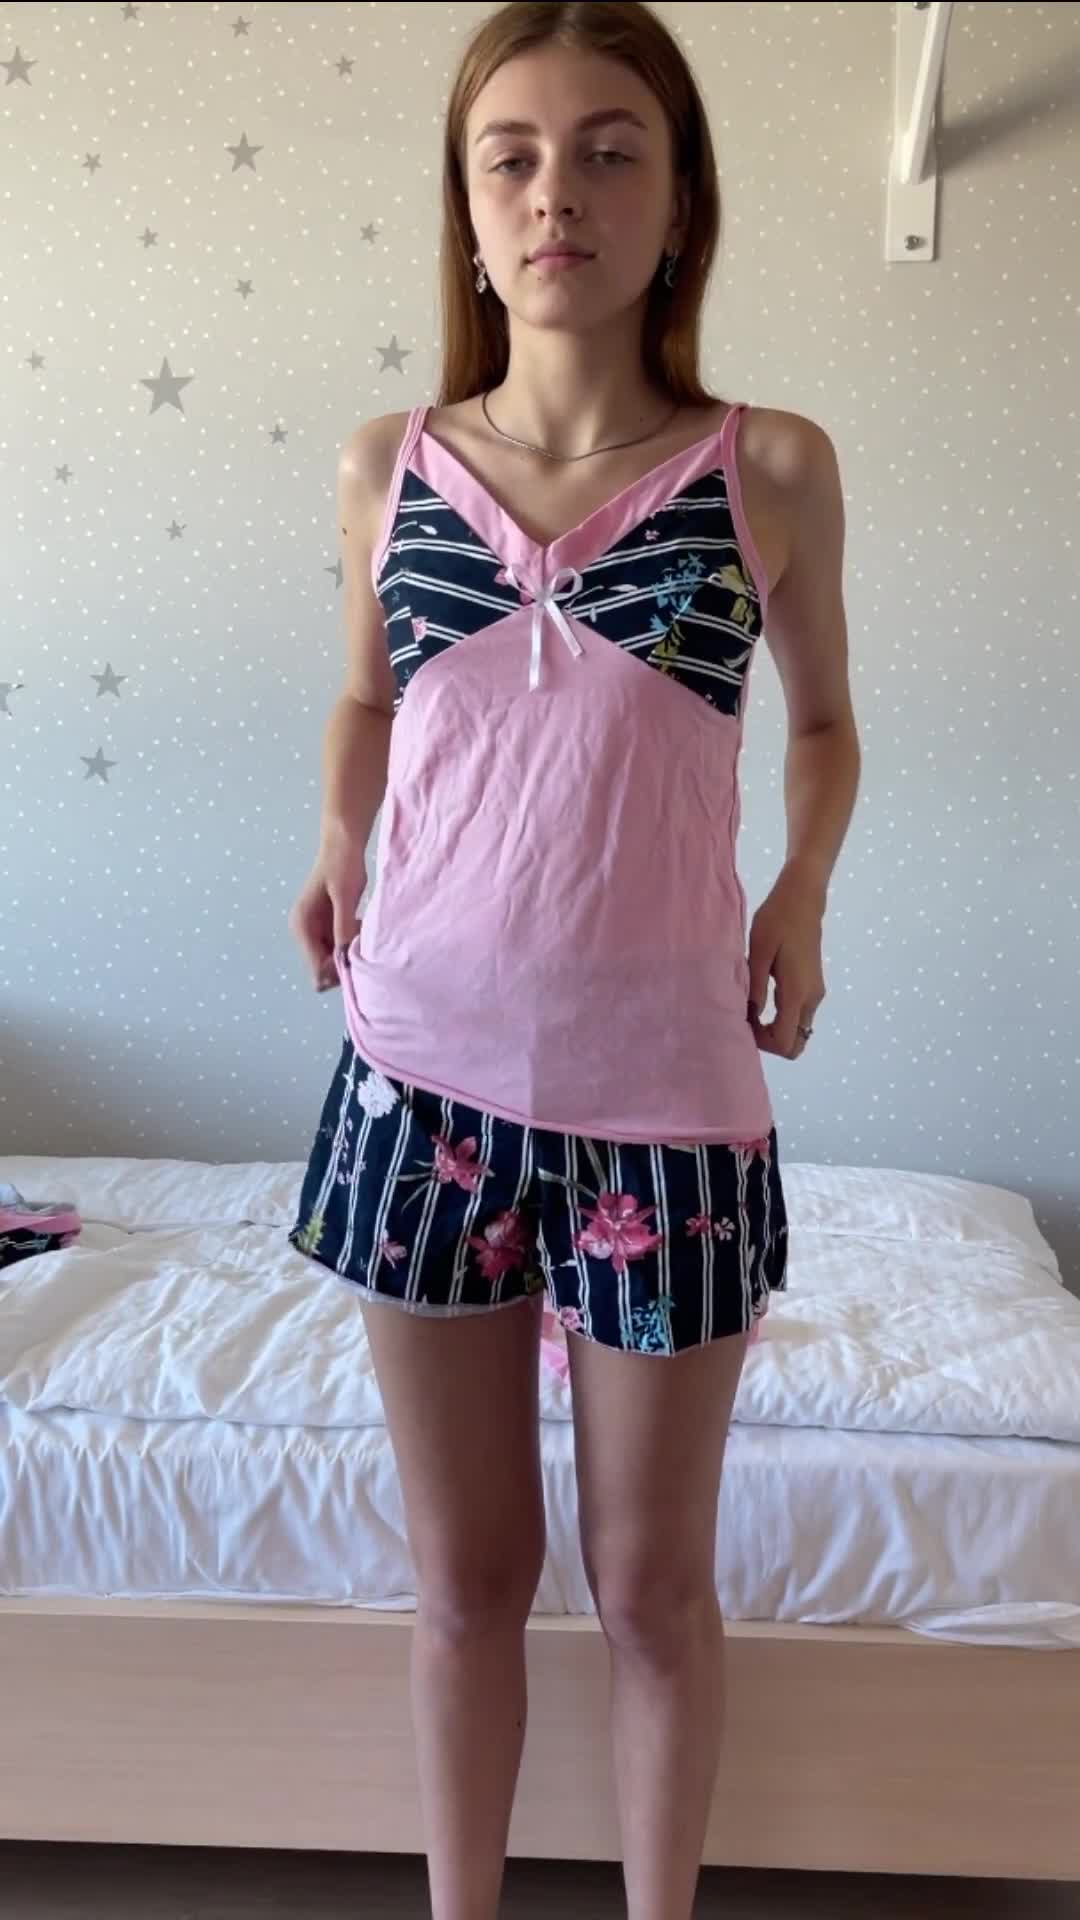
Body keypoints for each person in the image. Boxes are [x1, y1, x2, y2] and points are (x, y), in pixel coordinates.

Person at [288, 3, 860, 1915]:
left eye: (613, 151)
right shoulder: (386, 464)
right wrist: (338, 838)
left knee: (652, 1589)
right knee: (463, 1585)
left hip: (667, 1105)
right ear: (467, 211)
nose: (560, 195)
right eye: (513, 158)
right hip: (418, 1081)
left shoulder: (769, 467)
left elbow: (824, 724)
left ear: (681, 202)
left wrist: (801, 890)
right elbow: (368, 699)